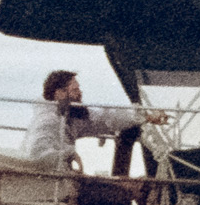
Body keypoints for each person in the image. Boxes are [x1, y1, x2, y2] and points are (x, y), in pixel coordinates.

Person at [23, 70, 161, 171]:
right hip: (53, 182)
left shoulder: (70, 117)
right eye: (75, 90)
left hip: (62, 178)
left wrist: (144, 116)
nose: (80, 93)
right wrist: (69, 154)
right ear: (59, 94)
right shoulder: (48, 120)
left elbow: (105, 118)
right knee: (130, 190)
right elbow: (37, 152)